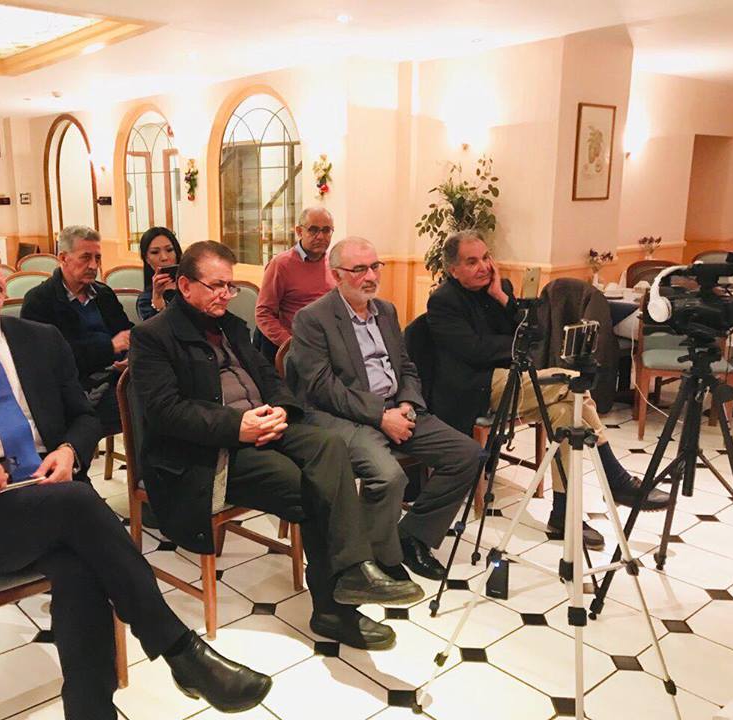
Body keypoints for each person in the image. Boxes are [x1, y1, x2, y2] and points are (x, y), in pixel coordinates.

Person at [0, 225, 272, 720]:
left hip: (47, 498)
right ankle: (178, 649)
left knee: (79, 566)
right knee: (79, 504)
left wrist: (67, 451)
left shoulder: (38, 340)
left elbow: (84, 418)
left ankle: (91, 710)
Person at [129, 240, 423, 651]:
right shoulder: (153, 337)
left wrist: (282, 409)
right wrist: (238, 426)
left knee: (330, 446)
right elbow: (166, 412)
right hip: (209, 452)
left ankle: (353, 571)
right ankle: (334, 608)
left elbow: (270, 377)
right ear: (184, 285)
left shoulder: (230, 326)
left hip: (263, 425)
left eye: (230, 286)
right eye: (216, 286)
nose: (225, 295)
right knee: (311, 488)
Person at [426, 230, 670, 550]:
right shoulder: (443, 301)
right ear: (453, 269)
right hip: (473, 390)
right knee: (569, 381)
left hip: (510, 379)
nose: (483, 266)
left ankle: (564, 513)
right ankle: (616, 479)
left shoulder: (499, 290)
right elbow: (475, 351)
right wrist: (515, 344)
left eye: (486, 258)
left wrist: (501, 297)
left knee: (566, 410)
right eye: (472, 262)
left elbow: (537, 332)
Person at [287, 237, 481, 580]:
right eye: (359, 269)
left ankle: (414, 536)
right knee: (389, 477)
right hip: (346, 417)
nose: (371, 276)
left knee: (468, 455)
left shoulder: (386, 311)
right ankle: (374, 559)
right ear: (336, 275)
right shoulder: (313, 319)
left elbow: (405, 366)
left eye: (375, 266)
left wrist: (406, 402)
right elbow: (322, 388)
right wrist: (380, 415)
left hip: (396, 408)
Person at [21, 225, 133, 435]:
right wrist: (108, 348)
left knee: (160, 393)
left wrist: (130, 356)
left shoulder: (103, 294)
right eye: (86, 257)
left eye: (97, 258)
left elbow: (126, 332)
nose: (94, 265)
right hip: (74, 389)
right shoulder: (40, 301)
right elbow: (50, 360)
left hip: (115, 378)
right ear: (63, 258)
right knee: (144, 407)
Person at [254, 207, 336, 360]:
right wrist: (289, 345)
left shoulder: (334, 263)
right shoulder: (281, 264)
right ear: (299, 231)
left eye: (326, 230)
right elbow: (263, 313)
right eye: (313, 230)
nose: (320, 236)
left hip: (329, 345)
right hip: (297, 348)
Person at [137, 226, 183, 321]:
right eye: (155, 252)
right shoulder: (145, 300)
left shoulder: (193, 284)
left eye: (169, 250)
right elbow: (153, 329)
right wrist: (157, 298)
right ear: (146, 259)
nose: (164, 257)